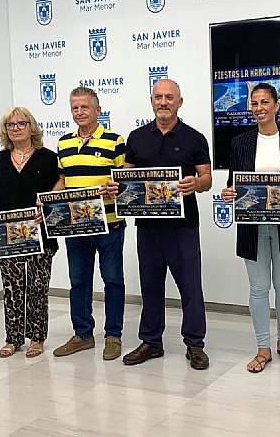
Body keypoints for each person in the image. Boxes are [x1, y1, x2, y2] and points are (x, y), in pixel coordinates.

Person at [221, 83, 280, 373]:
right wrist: (229, 193)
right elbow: (233, 184)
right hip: (252, 227)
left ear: (277, 106)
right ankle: (263, 347)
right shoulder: (239, 143)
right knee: (258, 288)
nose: (259, 108)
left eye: (265, 102)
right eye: (254, 103)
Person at [114, 79, 212, 370]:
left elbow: (207, 179)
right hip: (148, 227)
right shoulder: (136, 137)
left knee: (191, 287)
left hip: (183, 227)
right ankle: (151, 342)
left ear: (180, 102)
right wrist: (115, 184)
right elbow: (127, 175)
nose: (164, 102)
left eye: (170, 97)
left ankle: (194, 344)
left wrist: (195, 183)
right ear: (151, 101)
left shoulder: (195, 138)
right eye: (159, 97)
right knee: (151, 285)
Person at [0, 107, 59, 358]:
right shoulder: (1, 159)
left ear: (31, 127)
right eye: (10, 125)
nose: (16, 129)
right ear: (5, 131)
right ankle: (13, 338)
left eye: (21, 124)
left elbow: (57, 191)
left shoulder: (48, 158)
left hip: (40, 234)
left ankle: (37, 338)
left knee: (37, 288)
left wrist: (48, 206)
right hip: (7, 235)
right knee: (11, 287)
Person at [51, 87, 126, 361]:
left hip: (109, 224)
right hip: (76, 225)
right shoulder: (63, 144)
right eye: (75, 108)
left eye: (85, 107)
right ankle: (83, 334)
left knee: (113, 281)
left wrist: (115, 186)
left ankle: (113, 336)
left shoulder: (114, 141)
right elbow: (63, 179)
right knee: (78, 282)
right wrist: (50, 197)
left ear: (98, 109)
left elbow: (126, 178)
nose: (79, 112)